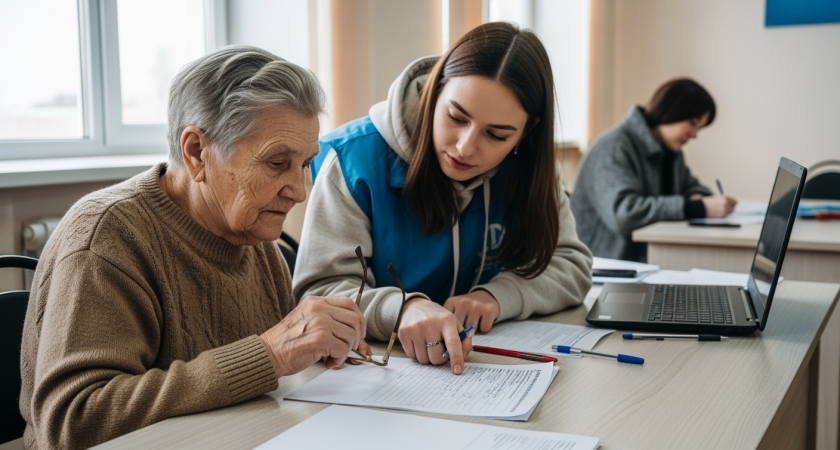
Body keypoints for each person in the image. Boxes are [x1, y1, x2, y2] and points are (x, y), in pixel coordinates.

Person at [19, 46, 371, 450]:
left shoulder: (257, 243)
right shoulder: (107, 236)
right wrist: (268, 356)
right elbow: (72, 424)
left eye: (306, 163)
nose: (300, 190)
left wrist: (310, 354)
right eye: (277, 163)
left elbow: (262, 390)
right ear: (196, 152)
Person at [293, 22, 593, 376]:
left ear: (526, 133)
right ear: (433, 93)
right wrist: (401, 309)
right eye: (456, 117)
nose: (465, 147)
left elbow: (571, 263)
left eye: (496, 135)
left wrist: (499, 296)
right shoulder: (354, 160)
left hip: (477, 368)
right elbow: (320, 291)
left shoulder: (530, 170)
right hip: (376, 374)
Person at [571, 78, 738, 262]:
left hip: (647, 262)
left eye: (699, 128)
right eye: (692, 123)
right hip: (605, 267)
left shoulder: (670, 152)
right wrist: (696, 208)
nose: (695, 135)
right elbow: (624, 215)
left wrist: (697, 196)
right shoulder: (614, 147)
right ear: (671, 110)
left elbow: (692, 186)